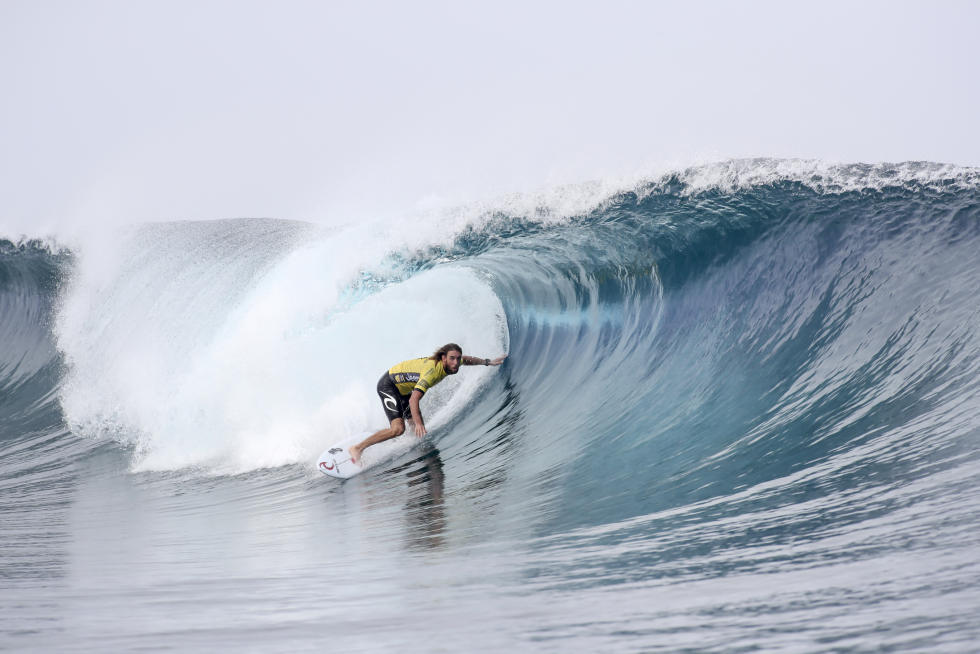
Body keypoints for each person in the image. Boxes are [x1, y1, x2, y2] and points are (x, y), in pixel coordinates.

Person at [349, 343, 506, 464]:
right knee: (399, 429)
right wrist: (418, 423)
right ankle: (357, 448)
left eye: (458, 358)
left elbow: (468, 360)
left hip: (403, 389)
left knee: (417, 433)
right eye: (452, 358)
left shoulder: (453, 362)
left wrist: (488, 362)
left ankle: (401, 447)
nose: (456, 363)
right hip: (389, 386)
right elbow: (414, 399)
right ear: (443, 358)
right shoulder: (431, 373)